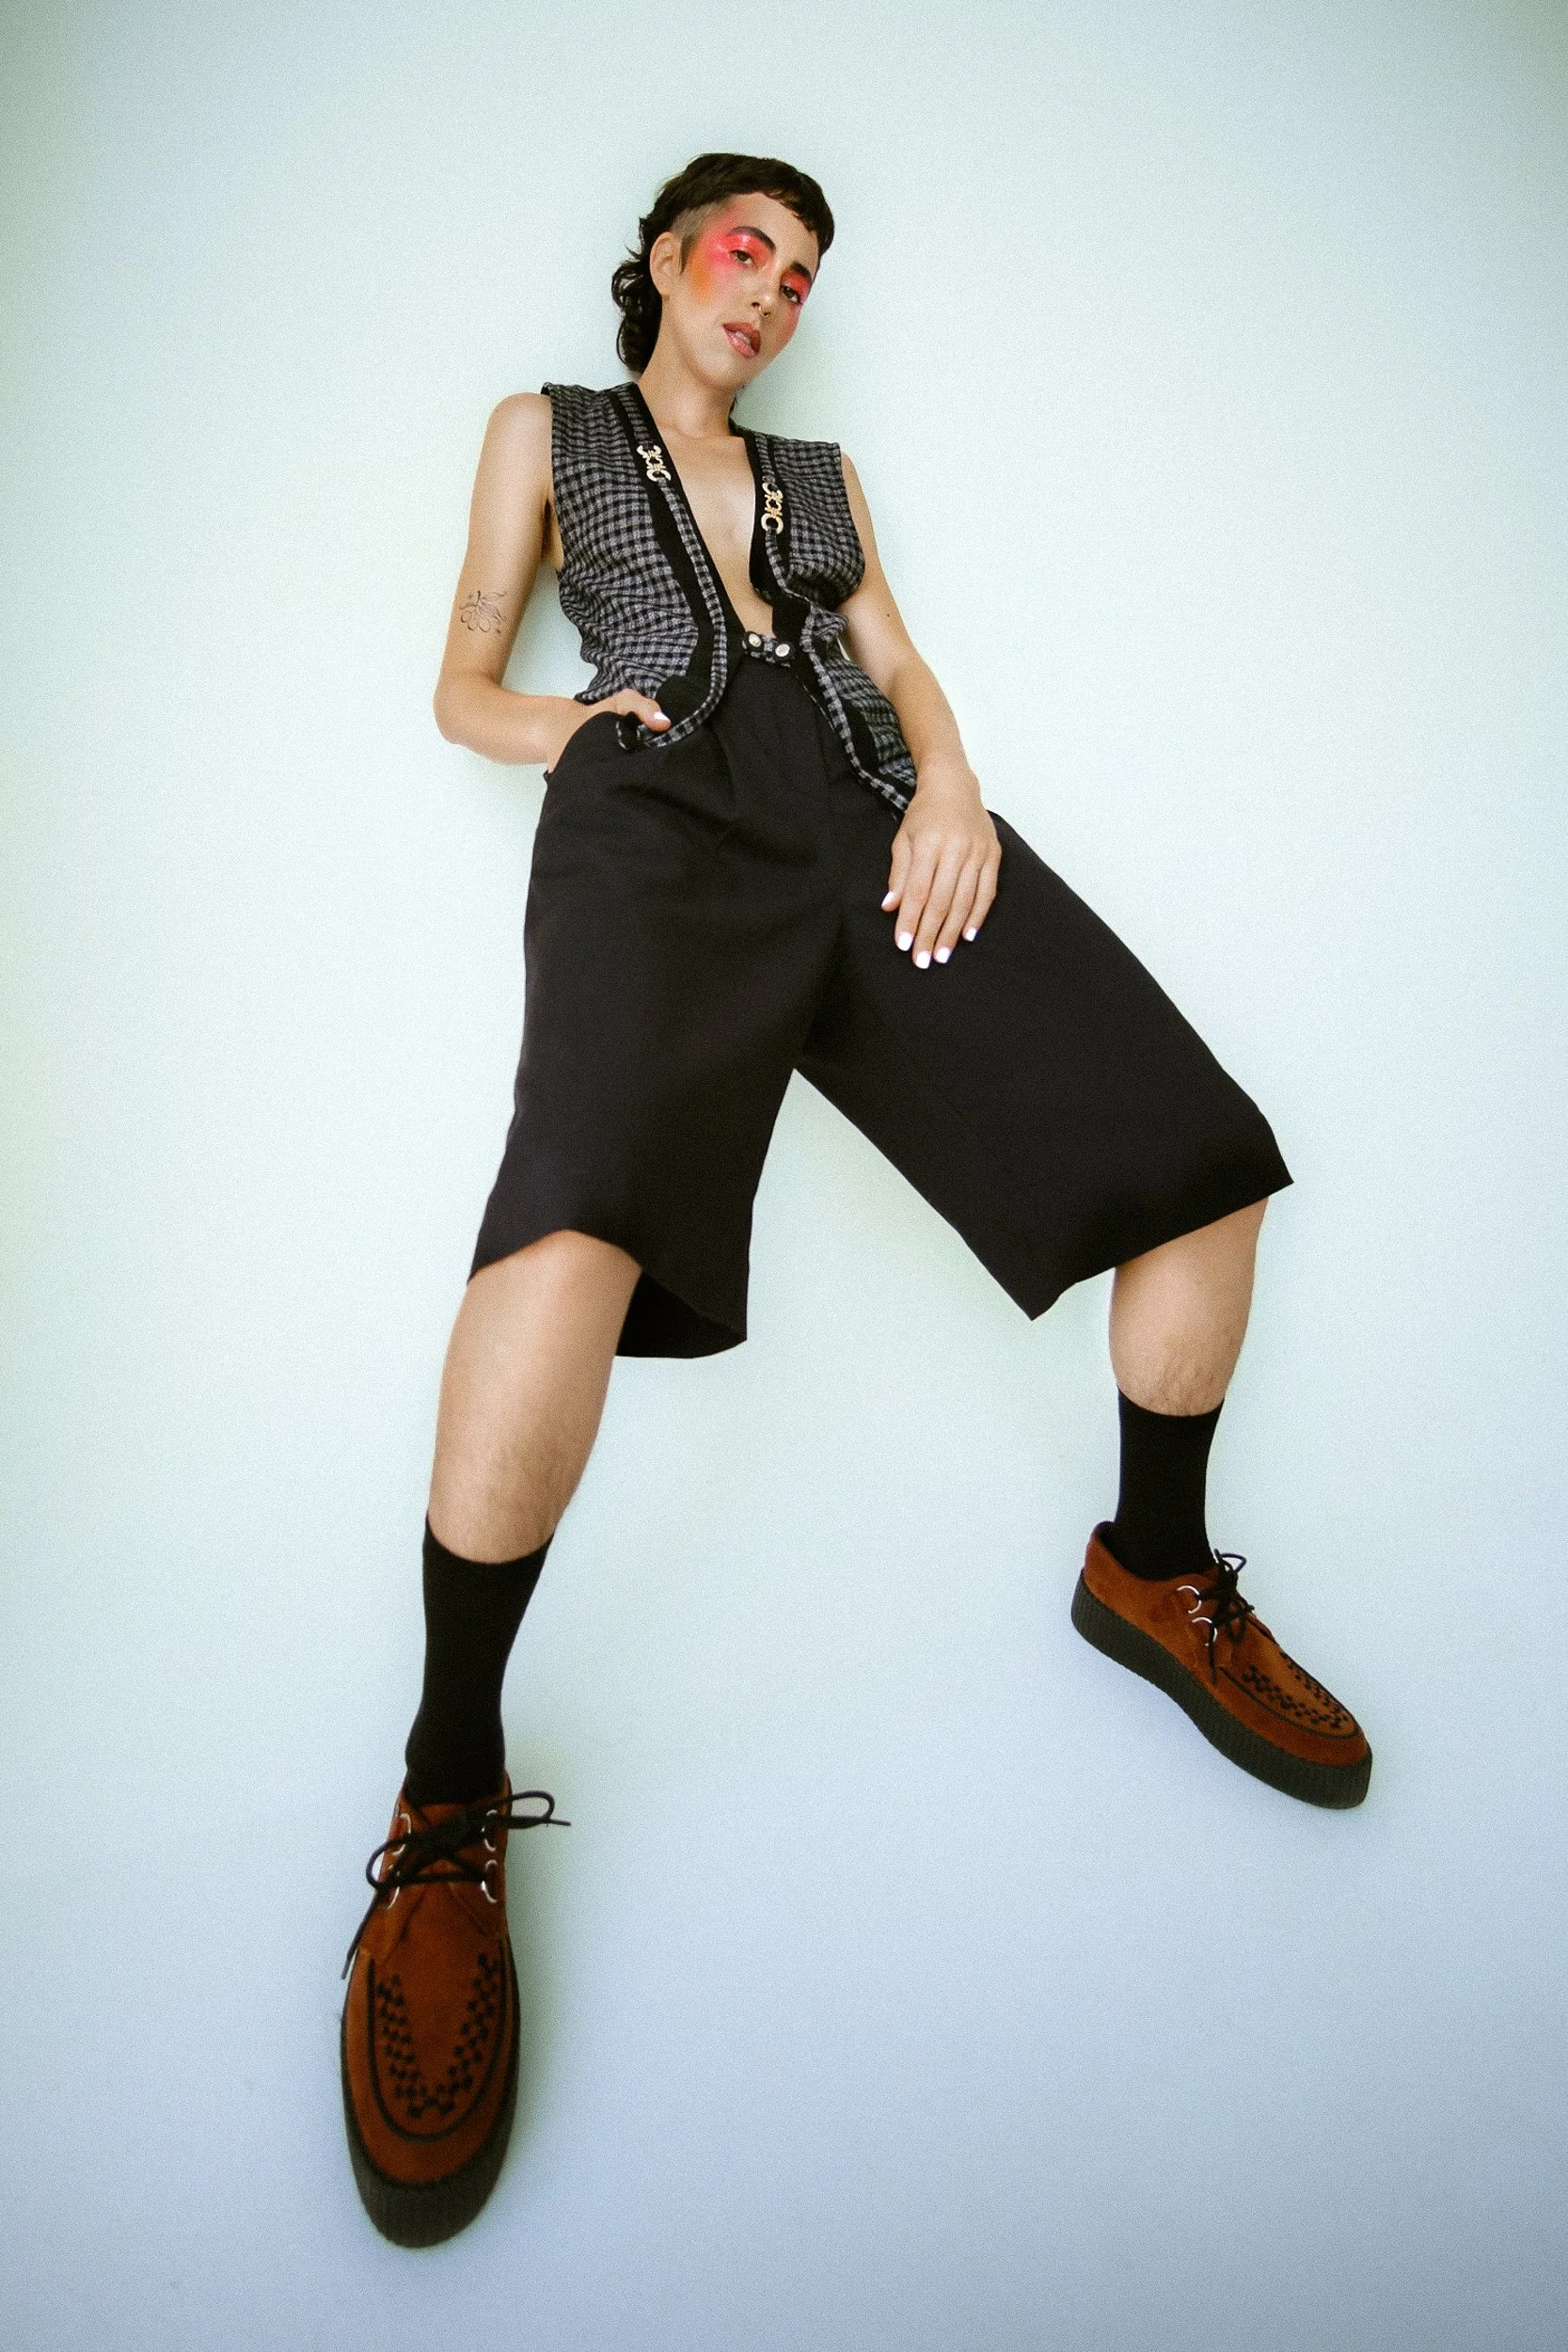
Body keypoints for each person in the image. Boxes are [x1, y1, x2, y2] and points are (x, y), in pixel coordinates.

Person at [339, 151, 1371, 2247]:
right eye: (745, 251)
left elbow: (897, 665)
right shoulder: (547, 431)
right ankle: (447, 1788)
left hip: (876, 829)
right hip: (652, 825)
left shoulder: (820, 473)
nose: (772, 292)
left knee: (1197, 1156)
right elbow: (456, 677)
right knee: (571, 1218)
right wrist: (572, 722)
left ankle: (1148, 1567)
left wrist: (959, 782)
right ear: (658, 256)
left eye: (800, 275)